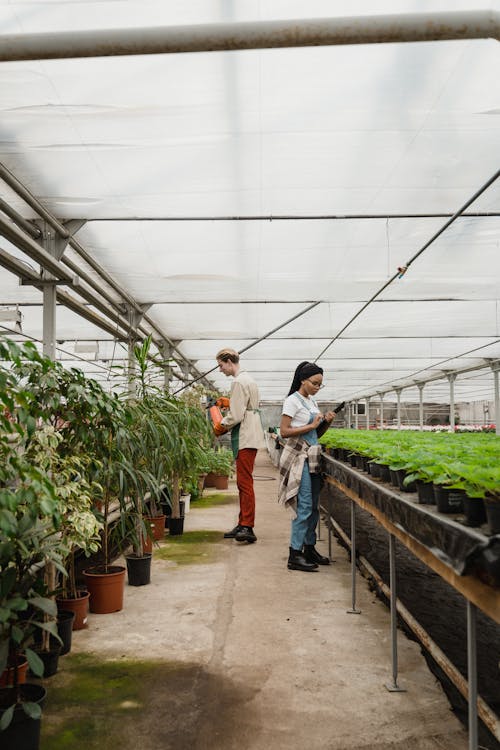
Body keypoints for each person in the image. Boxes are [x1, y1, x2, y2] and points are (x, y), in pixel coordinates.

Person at [278, 361, 335, 572]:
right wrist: (311, 424)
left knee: (313, 506)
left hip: (312, 457)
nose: (317, 387)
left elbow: (315, 435)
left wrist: (326, 422)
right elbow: (283, 431)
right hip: (299, 458)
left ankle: (309, 548)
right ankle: (295, 554)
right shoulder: (292, 401)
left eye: (320, 384)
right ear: (303, 380)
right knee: (303, 505)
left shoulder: (312, 402)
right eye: (314, 383)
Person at [214, 348, 265, 543]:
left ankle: (247, 526)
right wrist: (230, 401)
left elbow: (235, 415)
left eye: (220, 365)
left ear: (228, 361)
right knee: (244, 482)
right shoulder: (248, 379)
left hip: (245, 436)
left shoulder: (238, 381)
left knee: (244, 483)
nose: (220, 370)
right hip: (250, 433)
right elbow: (246, 405)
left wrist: (221, 426)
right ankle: (242, 522)